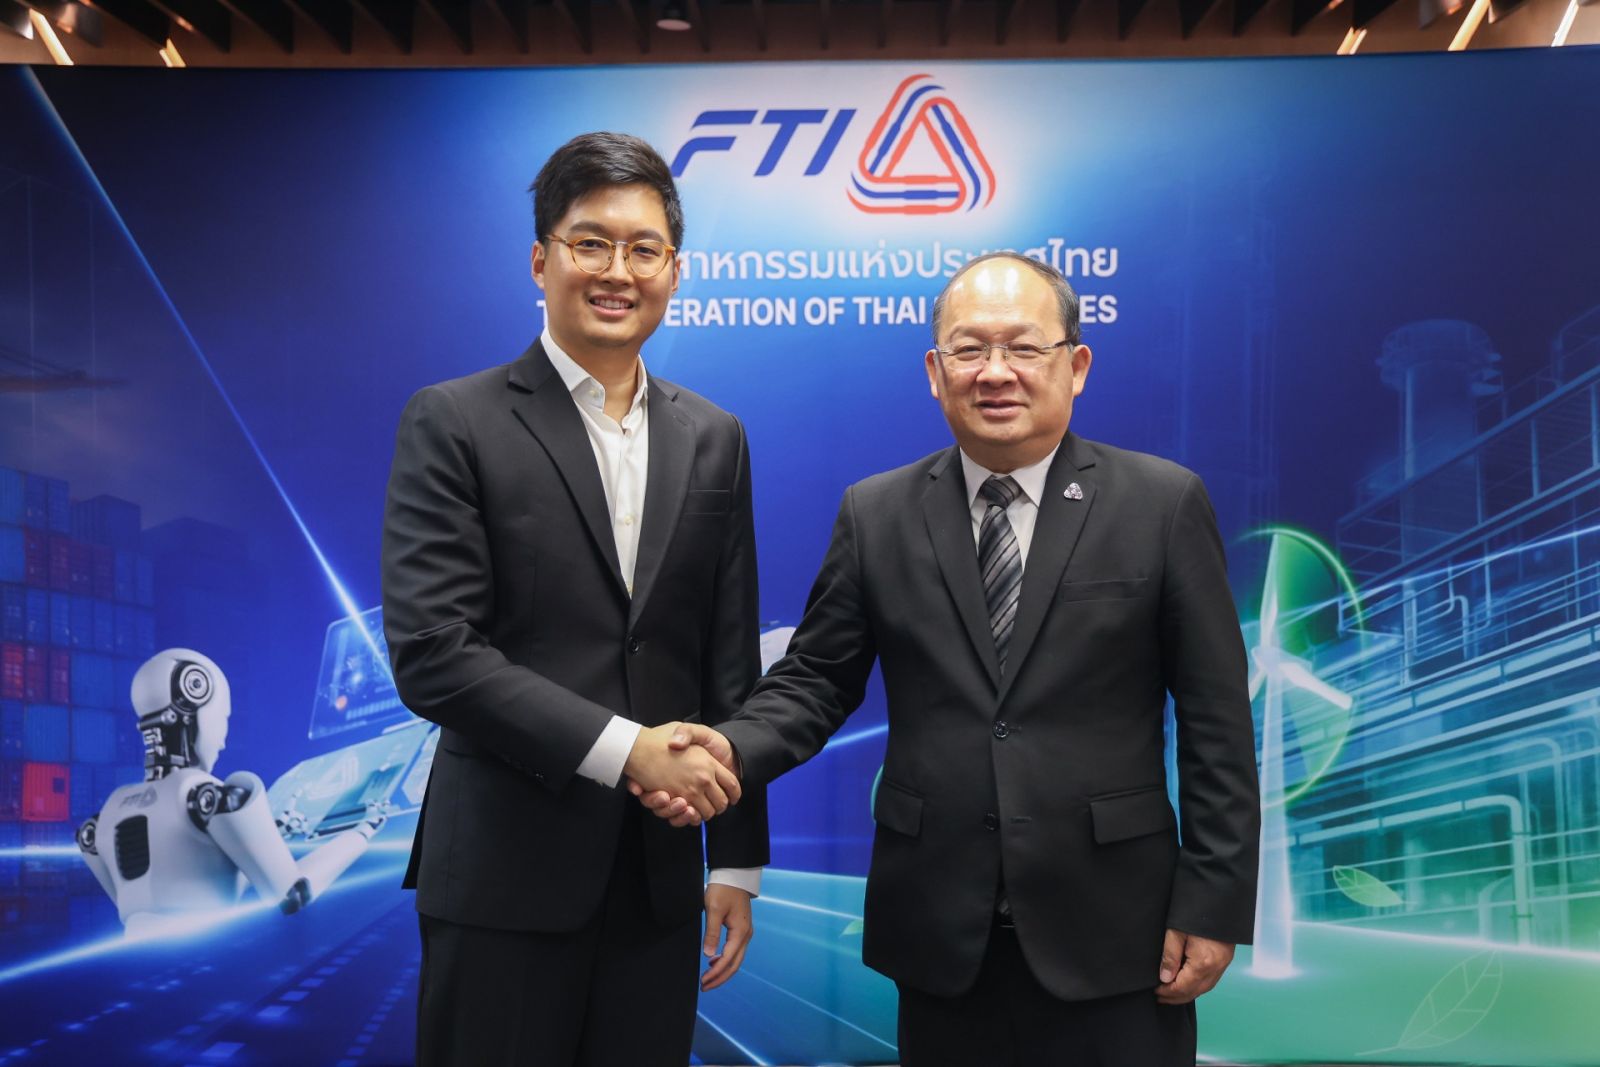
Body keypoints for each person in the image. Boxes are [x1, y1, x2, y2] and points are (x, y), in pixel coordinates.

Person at [640, 252, 1260, 1065]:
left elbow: (1216, 720)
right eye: (969, 350)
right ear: (936, 372)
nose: (995, 372)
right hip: (939, 927)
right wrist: (729, 748)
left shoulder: (1162, 502)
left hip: (1116, 926)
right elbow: (817, 680)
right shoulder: (877, 512)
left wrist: (1212, 902)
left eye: (1023, 347)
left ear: (1076, 365)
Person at [381, 131, 768, 1067]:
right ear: (540, 260)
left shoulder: (715, 435)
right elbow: (435, 652)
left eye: (643, 249)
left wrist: (737, 857)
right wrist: (628, 748)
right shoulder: (456, 419)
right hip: (503, 876)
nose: (617, 271)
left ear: (674, 270)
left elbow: (727, 656)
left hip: (658, 880)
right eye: (591, 243)